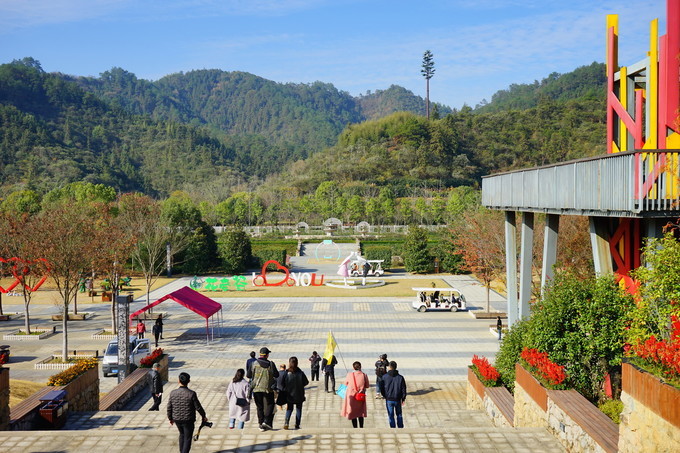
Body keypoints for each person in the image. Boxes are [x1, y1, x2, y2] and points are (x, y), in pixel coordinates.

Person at [167, 372, 208, 453]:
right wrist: (204, 416)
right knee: (187, 438)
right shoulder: (191, 393)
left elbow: (169, 407)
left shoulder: (173, 393)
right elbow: (198, 407)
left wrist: (170, 418)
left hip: (177, 419)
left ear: (179, 381)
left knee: (181, 435)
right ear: (189, 381)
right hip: (188, 420)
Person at [246, 347, 279, 431]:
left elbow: (248, 375)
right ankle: (266, 420)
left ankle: (260, 424)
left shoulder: (253, 363)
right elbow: (276, 375)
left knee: (259, 407)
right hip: (268, 389)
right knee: (270, 404)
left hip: (256, 388)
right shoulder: (271, 364)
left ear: (260, 354)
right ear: (267, 355)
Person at [340, 361, 369, 428]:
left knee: (353, 413)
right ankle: (361, 427)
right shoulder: (364, 375)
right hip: (360, 396)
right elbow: (367, 385)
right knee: (360, 412)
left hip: (352, 397)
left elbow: (345, 384)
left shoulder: (349, 375)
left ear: (353, 367)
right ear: (360, 367)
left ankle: (355, 427)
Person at [283, 356, 309, 430]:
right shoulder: (300, 373)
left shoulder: (286, 373)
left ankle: (286, 422)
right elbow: (306, 382)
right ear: (297, 363)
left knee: (289, 409)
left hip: (289, 394)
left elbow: (283, 383)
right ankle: (297, 424)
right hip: (299, 394)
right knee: (298, 409)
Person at [380, 361, 407, 428]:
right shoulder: (400, 377)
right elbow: (403, 389)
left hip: (389, 399)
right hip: (398, 399)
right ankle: (400, 427)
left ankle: (392, 427)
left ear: (389, 367)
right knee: (399, 414)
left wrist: (385, 396)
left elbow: (382, 388)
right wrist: (403, 398)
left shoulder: (385, 377)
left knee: (391, 415)